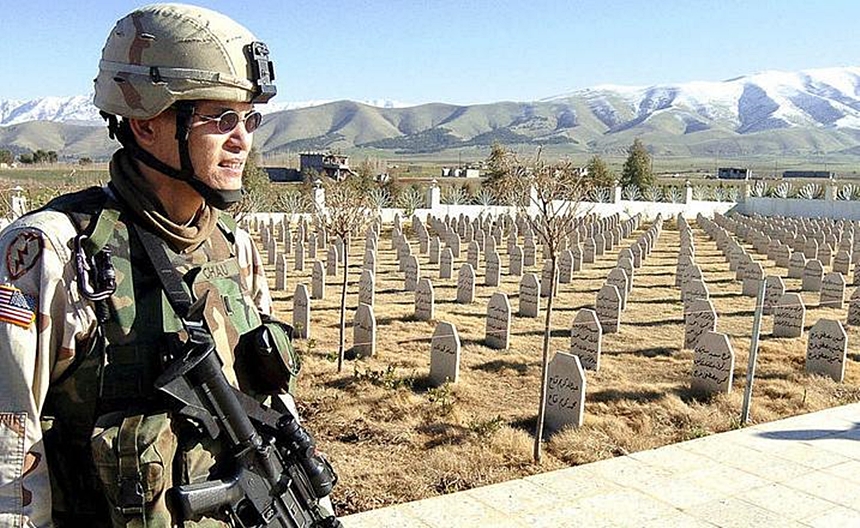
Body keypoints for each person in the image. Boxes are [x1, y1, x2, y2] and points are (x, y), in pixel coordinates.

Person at [0, 4, 334, 526]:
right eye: (220, 118)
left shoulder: (234, 249)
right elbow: (8, 455)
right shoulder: (52, 254)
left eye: (249, 119)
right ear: (145, 122)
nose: (242, 140)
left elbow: (268, 403)